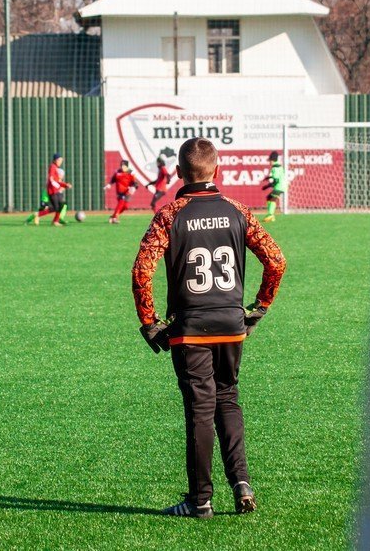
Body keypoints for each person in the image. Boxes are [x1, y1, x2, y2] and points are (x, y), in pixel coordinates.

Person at [131, 137, 286, 518]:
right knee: (227, 398)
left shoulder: (170, 214)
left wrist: (149, 322)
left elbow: (142, 271)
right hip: (231, 325)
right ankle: (241, 483)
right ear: (217, 169)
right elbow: (276, 261)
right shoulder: (237, 210)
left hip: (191, 328)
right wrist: (259, 307)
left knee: (200, 411)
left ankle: (200, 500)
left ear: (179, 173)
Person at [28, 153, 71, 226]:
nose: (60, 162)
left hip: (56, 191)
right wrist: (59, 184)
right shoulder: (52, 167)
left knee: (60, 205)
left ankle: (55, 221)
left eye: (61, 160)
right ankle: (39, 215)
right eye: (59, 160)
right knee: (56, 207)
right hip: (52, 191)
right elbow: (52, 179)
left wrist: (65, 185)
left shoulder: (55, 168)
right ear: (55, 160)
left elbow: (57, 181)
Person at [105, 159, 138, 224]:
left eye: (124, 166)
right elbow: (113, 179)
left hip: (127, 191)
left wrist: (134, 188)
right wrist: (109, 184)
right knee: (121, 203)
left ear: (127, 166)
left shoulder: (131, 173)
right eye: (121, 165)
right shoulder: (117, 172)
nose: (122, 167)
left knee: (125, 207)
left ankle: (113, 216)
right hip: (120, 191)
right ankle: (115, 218)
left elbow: (135, 183)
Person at [261, 151, 286, 223]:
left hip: (279, 186)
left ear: (272, 160)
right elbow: (277, 176)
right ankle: (271, 215)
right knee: (269, 198)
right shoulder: (279, 166)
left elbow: (276, 180)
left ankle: (270, 215)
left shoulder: (275, 168)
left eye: (270, 161)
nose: (269, 162)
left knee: (272, 199)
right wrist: (269, 177)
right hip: (281, 186)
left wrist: (267, 186)